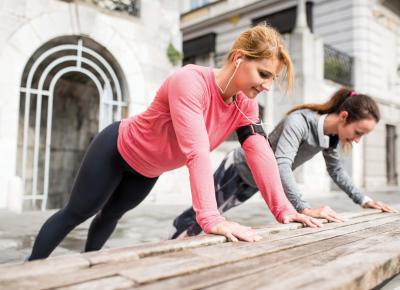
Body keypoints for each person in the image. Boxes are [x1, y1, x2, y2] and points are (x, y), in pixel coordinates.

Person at [27, 24, 320, 261]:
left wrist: (285, 210)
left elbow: (261, 154)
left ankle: (88, 266)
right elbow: (197, 152)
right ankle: (28, 271)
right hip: (116, 149)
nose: (267, 85)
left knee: (112, 213)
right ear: (239, 58)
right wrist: (210, 218)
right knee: (77, 213)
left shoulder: (246, 105)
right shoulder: (190, 81)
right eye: (264, 74)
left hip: (148, 170)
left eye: (273, 78)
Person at [170, 88, 397, 239]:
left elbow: (337, 172)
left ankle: (179, 232)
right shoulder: (299, 121)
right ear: (345, 116)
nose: (357, 140)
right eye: (358, 132)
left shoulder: (330, 138)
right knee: (206, 215)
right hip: (239, 168)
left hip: (257, 183)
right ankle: (171, 241)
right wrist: (303, 208)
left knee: (219, 213)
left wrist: (365, 200)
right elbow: (282, 164)